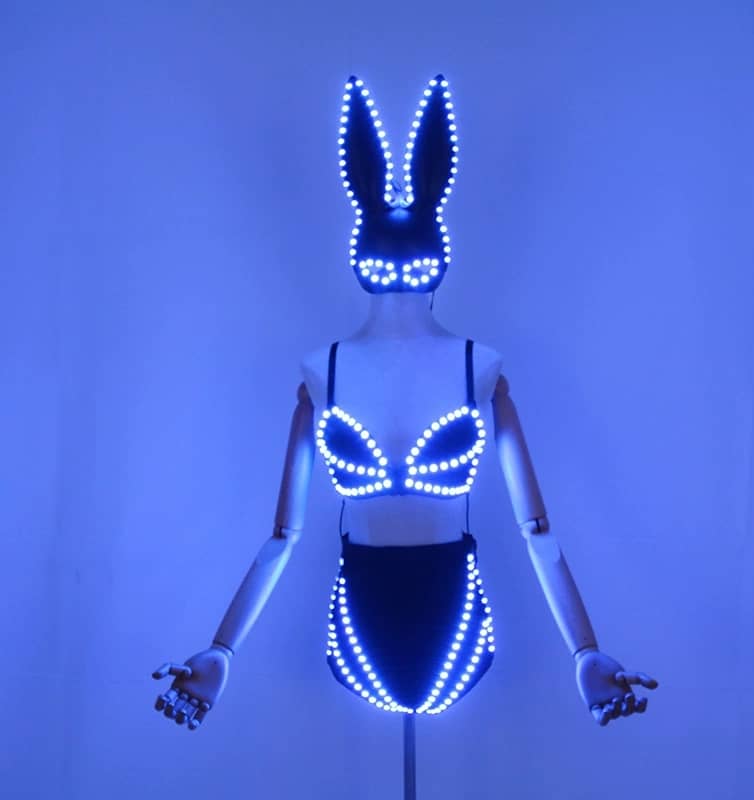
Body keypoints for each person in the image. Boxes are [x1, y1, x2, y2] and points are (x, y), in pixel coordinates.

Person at [153, 74, 657, 733]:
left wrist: (584, 652)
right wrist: (222, 651)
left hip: (455, 625)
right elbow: (283, 536)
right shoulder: (323, 371)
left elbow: (537, 530)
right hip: (360, 621)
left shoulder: (478, 366)